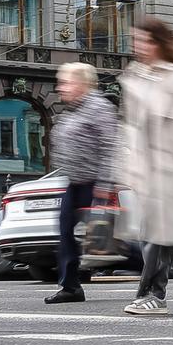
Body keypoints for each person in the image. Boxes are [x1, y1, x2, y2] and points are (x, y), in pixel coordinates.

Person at [116, 19, 173, 316]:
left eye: (143, 40)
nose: (137, 46)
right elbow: (130, 128)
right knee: (152, 236)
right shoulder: (135, 77)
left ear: (157, 43)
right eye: (135, 40)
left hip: (169, 169)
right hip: (145, 170)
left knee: (156, 236)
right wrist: (129, 167)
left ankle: (153, 295)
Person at [46, 62, 117, 305]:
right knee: (66, 229)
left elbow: (109, 147)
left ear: (82, 83)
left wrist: (105, 184)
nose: (60, 88)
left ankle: (151, 266)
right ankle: (70, 287)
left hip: (94, 182)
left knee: (107, 236)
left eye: (66, 82)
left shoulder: (99, 107)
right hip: (75, 181)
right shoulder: (74, 110)